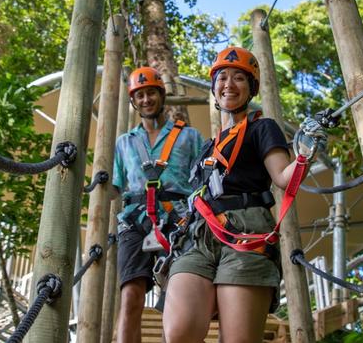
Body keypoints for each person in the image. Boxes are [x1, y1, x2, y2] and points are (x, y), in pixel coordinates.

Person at [162, 47, 327, 342]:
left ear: (251, 88)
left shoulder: (262, 128)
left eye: (239, 77)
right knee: (179, 332)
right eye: (222, 77)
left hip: (245, 231)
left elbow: (282, 178)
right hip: (199, 235)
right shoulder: (207, 147)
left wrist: (305, 152)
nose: (229, 84)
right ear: (214, 87)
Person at [113, 66, 203, 343]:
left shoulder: (190, 137)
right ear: (133, 102)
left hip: (179, 220)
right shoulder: (124, 143)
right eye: (139, 95)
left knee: (178, 299)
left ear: (161, 95)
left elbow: (202, 182)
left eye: (151, 93)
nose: (146, 100)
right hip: (134, 221)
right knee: (130, 296)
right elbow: (115, 187)